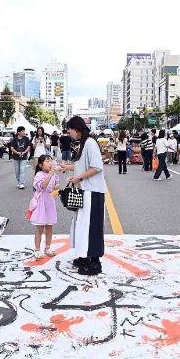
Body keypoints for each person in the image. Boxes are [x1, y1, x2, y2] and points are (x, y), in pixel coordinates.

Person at [62, 116, 106, 276]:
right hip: (86, 190)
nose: (69, 132)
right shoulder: (84, 143)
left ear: (77, 128)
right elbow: (82, 165)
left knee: (91, 226)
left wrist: (79, 177)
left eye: (70, 129)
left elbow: (96, 167)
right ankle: (84, 256)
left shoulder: (90, 143)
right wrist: (66, 167)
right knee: (82, 225)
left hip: (93, 191)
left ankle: (94, 261)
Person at [28, 154, 59, 259]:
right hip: (41, 203)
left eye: (50, 161)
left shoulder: (54, 175)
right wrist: (50, 174)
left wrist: (56, 187)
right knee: (40, 227)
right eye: (47, 161)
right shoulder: (39, 175)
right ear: (41, 165)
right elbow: (42, 186)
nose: (50, 163)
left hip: (50, 202)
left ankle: (48, 247)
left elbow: (55, 186)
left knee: (49, 226)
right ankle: (37, 249)